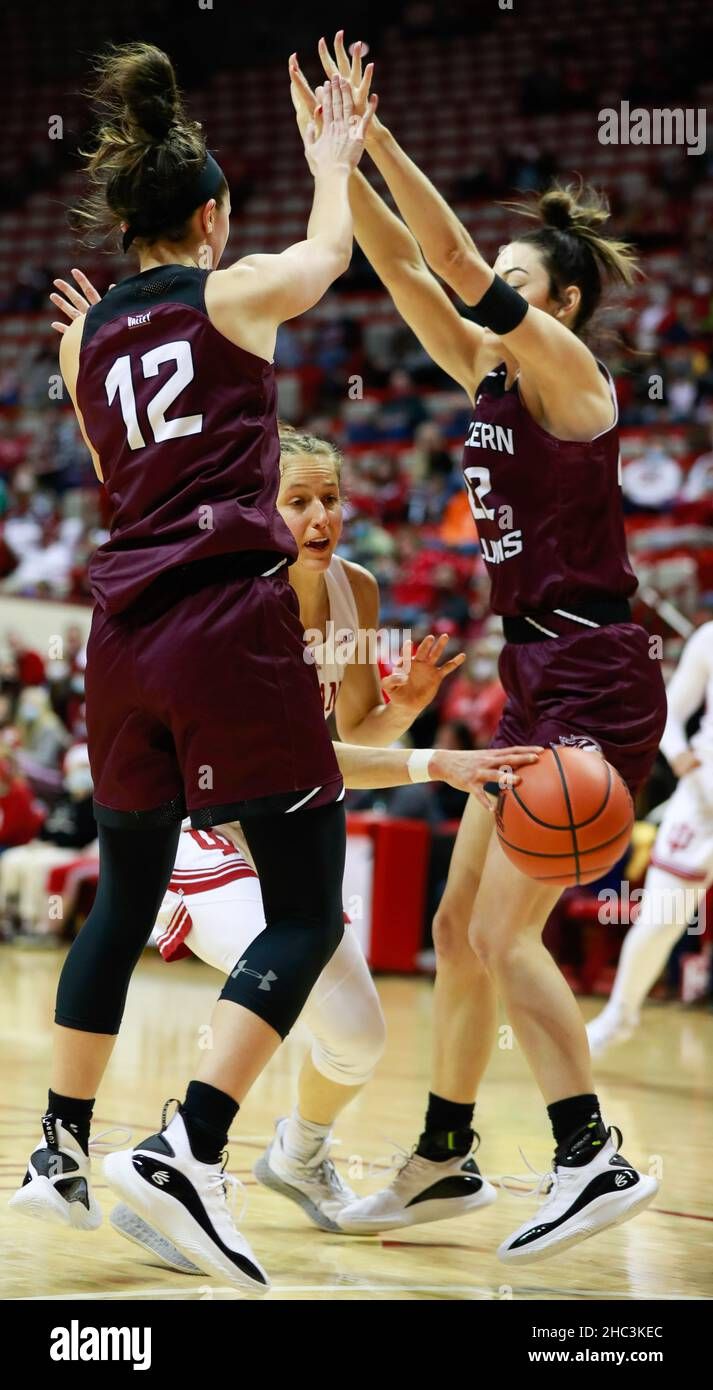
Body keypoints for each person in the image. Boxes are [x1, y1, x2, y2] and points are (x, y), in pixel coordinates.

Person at [290, 34, 667, 1261]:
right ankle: (443, 1156)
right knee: (454, 931)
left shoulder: (569, 379)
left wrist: (383, 133)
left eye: (509, 276)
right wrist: (335, 161)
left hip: (595, 679)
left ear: (550, 300)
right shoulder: (491, 376)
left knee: (503, 938)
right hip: (535, 677)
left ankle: (586, 1153)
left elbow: (446, 255)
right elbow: (407, 267)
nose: (479, 287)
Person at [10, 41, 378, 1293]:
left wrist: (98, 351)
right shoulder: (235, 291)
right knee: (308, 907)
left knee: (120, 895)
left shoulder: (79, 346)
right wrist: (332, 161)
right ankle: (188, 1152)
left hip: (119, 636)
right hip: (226, 621)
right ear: (212, 215)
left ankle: (57, 1149)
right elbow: (330, 259)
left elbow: (121, 476)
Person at [587, 620, 713, 1054]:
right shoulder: (708, 638)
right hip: (702, 800)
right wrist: (681, 759)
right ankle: (618, 1016)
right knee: (660, 919)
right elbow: (670, 713)